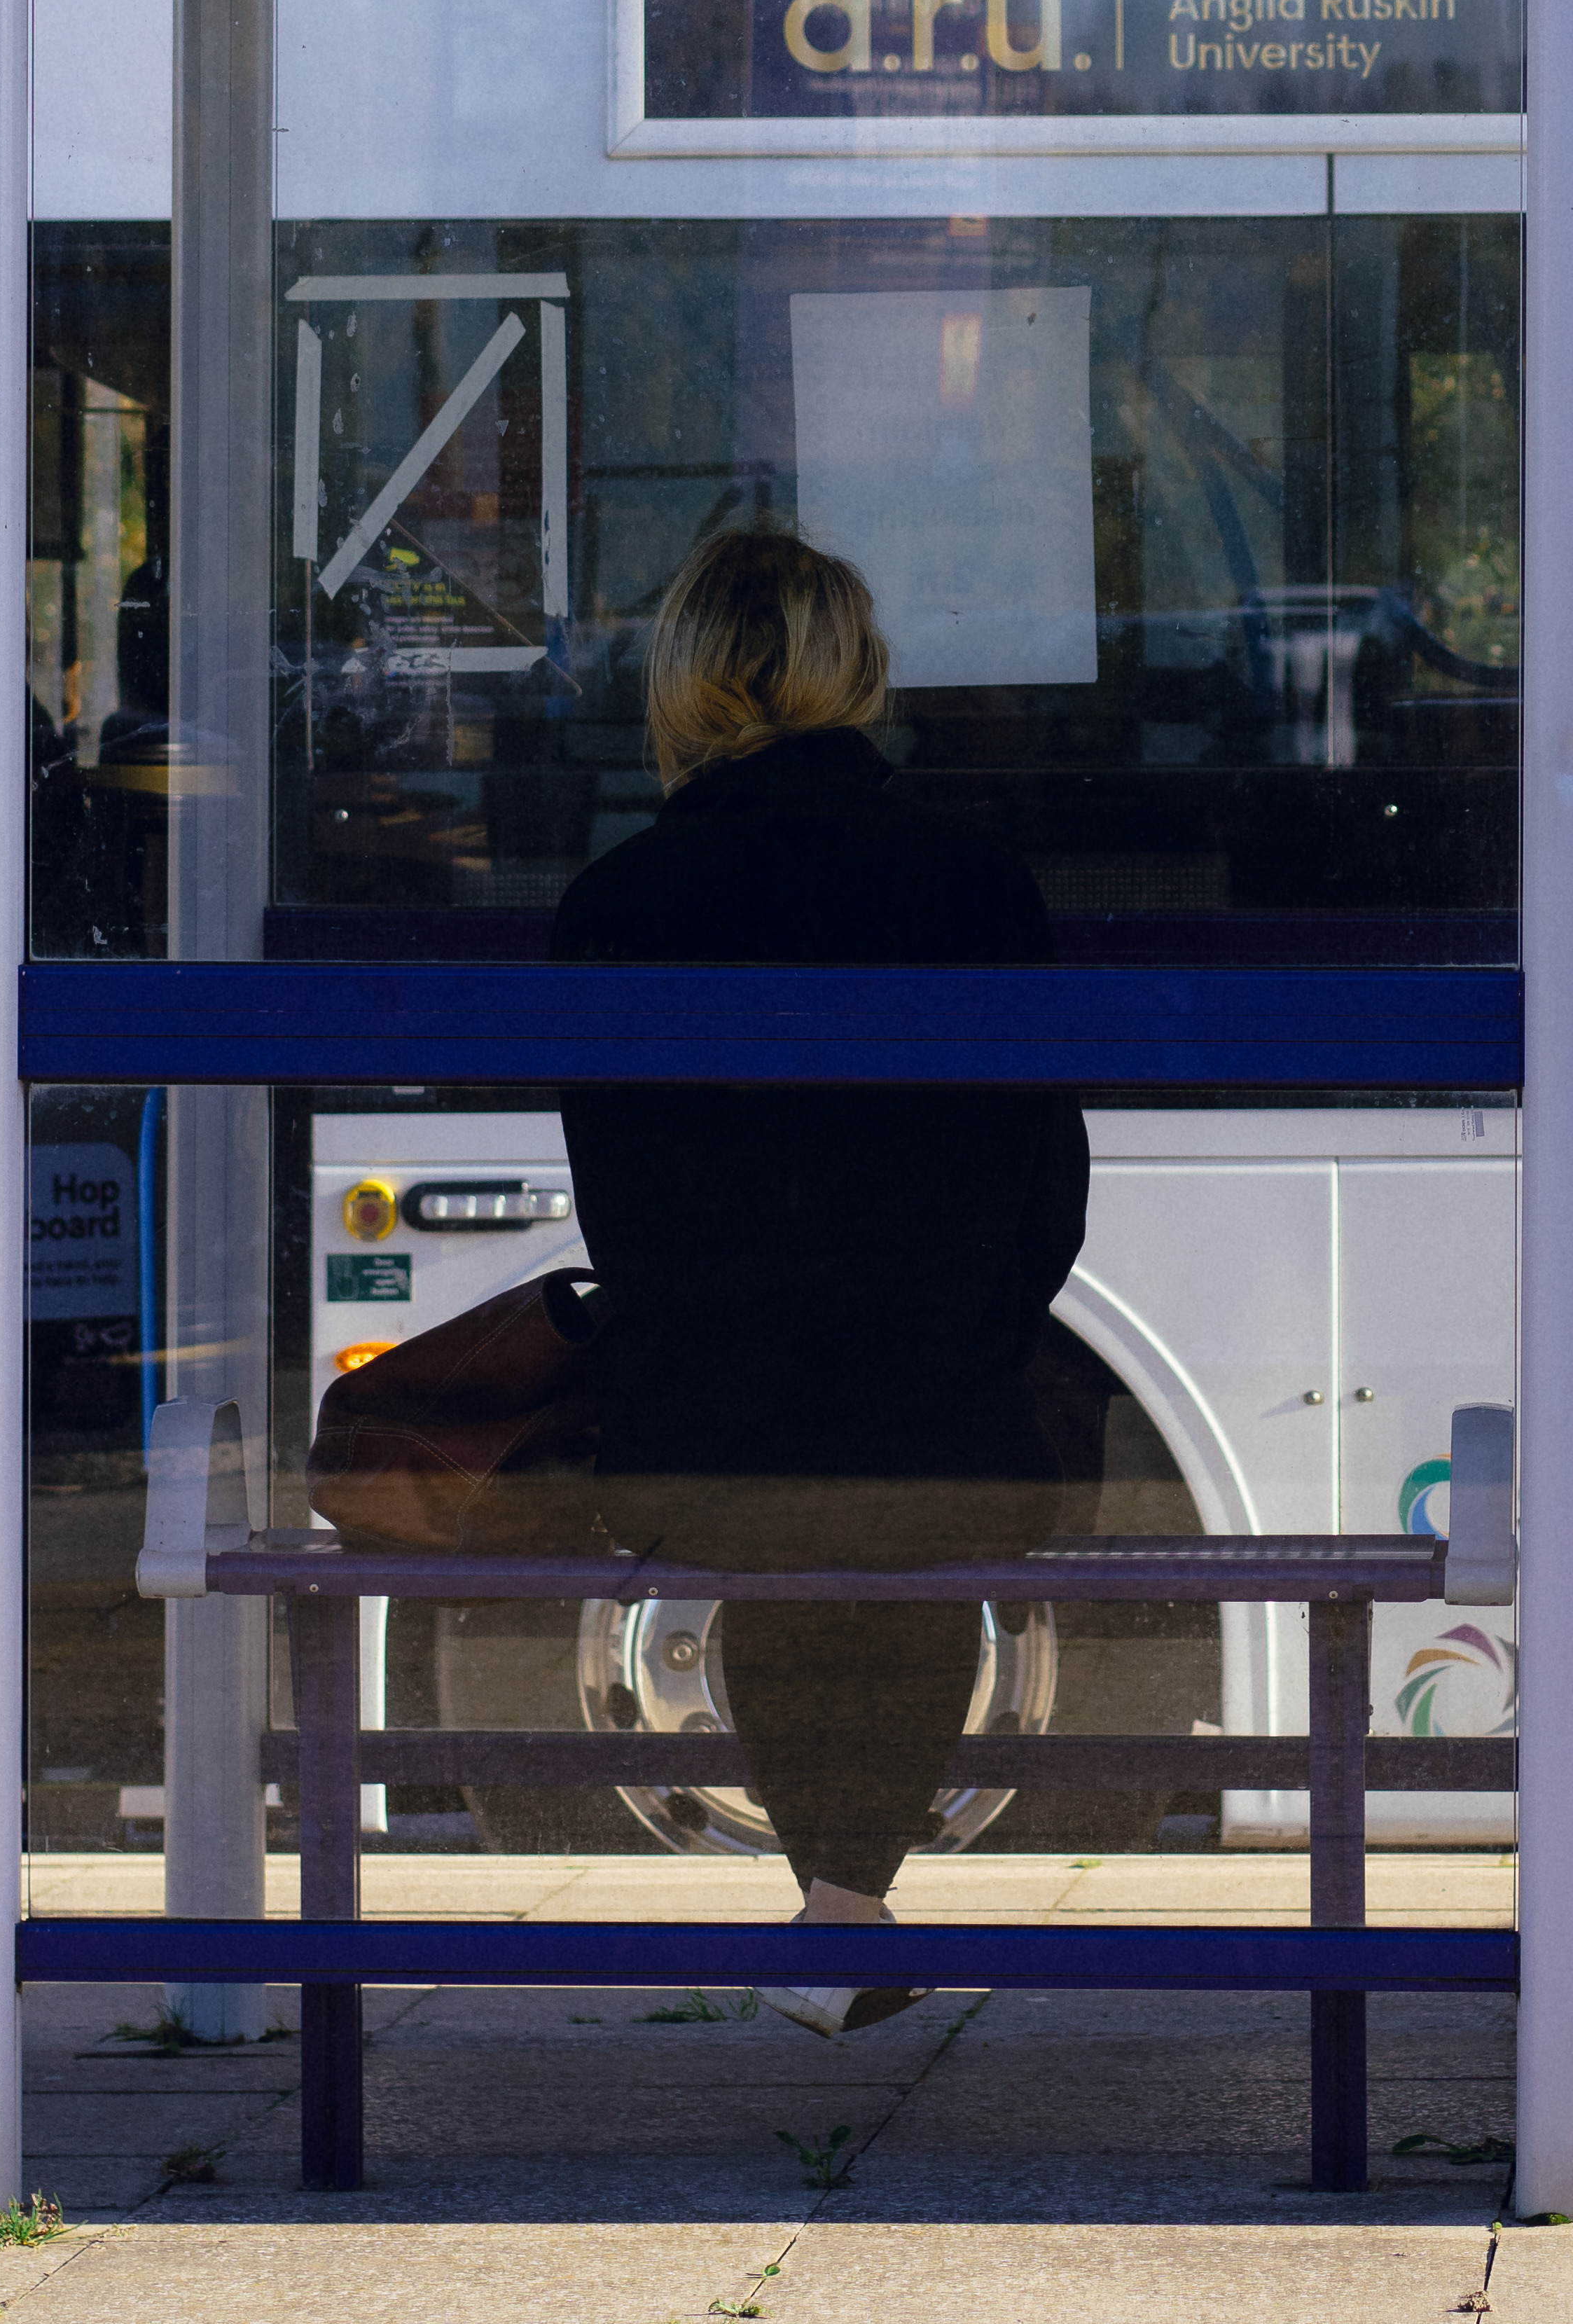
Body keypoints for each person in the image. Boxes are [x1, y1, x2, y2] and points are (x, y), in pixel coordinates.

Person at [553, 524, 1092, 2037]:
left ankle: (837, 1901)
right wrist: (967, 1337)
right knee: (897, 1499)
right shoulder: (972, 882)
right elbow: (1046, 1175)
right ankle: (844, 1897)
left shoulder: (619, 899)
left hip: (703, 1428)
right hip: (942, 1414)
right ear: (854, 669)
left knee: (782, 1508)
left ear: (684, 681)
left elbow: (624, 1204)